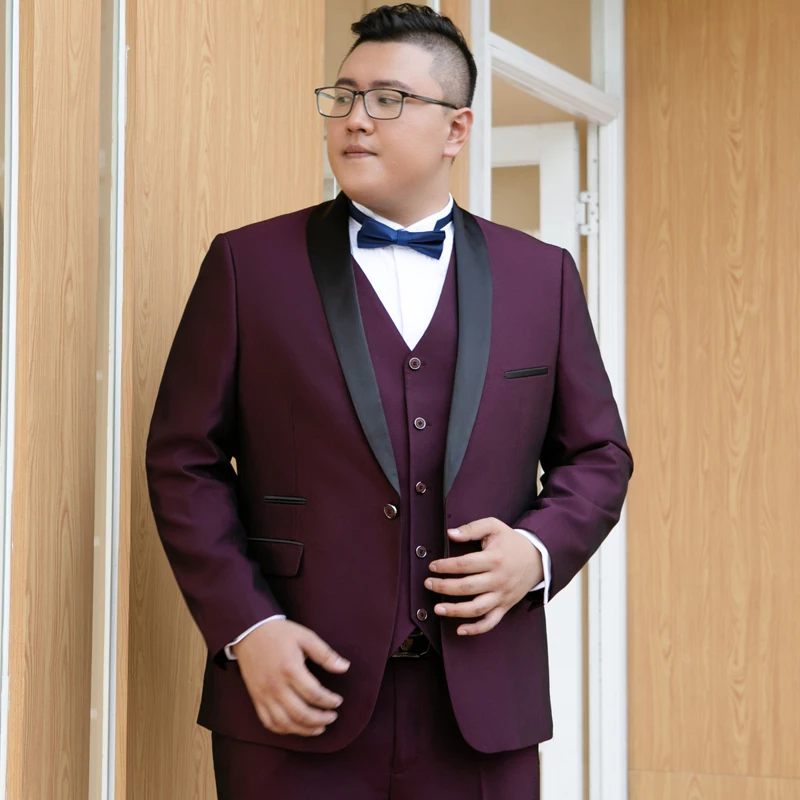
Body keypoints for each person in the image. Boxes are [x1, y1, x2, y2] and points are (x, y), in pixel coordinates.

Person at [145, 4, 632, 798]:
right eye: (343, 96)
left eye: (388, 99)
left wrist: (535, 553)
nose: (356, 118)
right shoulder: (246, 266)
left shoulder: (541, 277)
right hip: (295, 699)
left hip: (484, 709)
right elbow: (182, 461)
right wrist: (247, 625)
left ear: (456, 129)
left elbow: (599, 456)